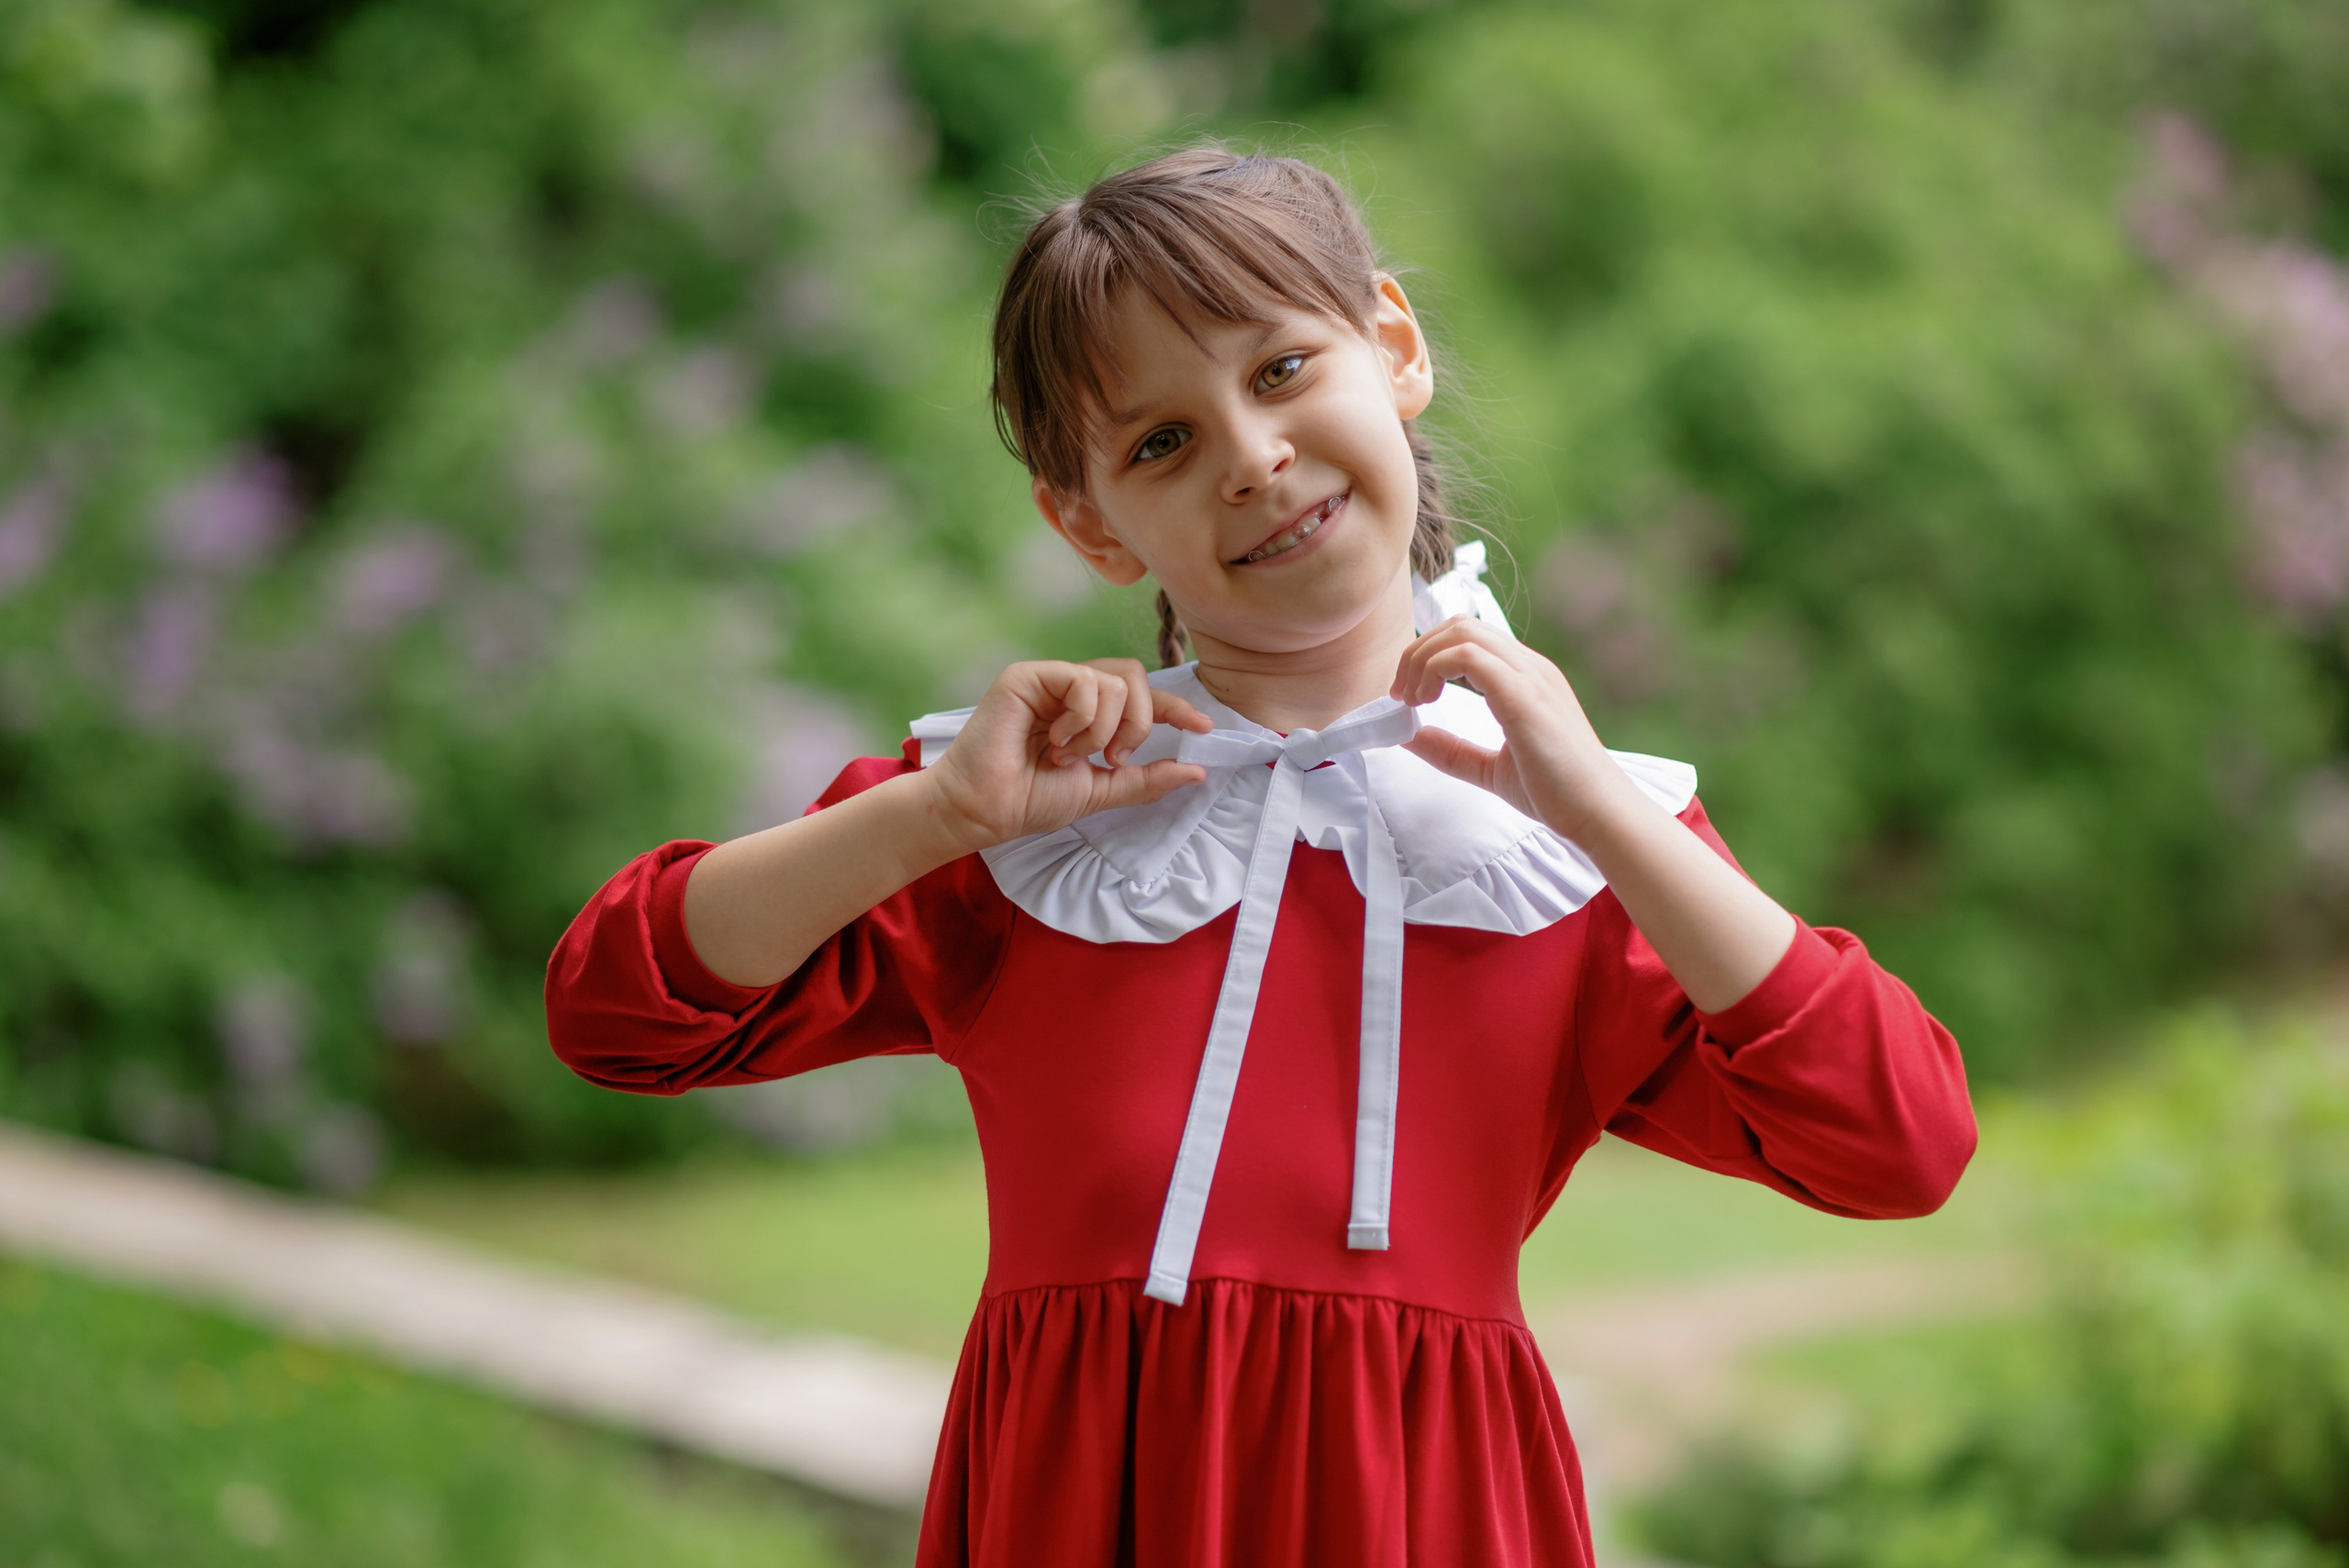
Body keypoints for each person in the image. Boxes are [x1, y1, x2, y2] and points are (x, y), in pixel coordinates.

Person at [545, 146, 1976, 1567]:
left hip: (1430, 1516)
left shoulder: (1569, 847)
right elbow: (615, 1010)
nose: (1250, 455)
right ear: (1088, 523)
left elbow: (1901, 1141)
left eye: (1281, 368)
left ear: (1394, 346)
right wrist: (936, 818)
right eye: (1159, 441)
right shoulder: (1026, 816)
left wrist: (1606, 813)